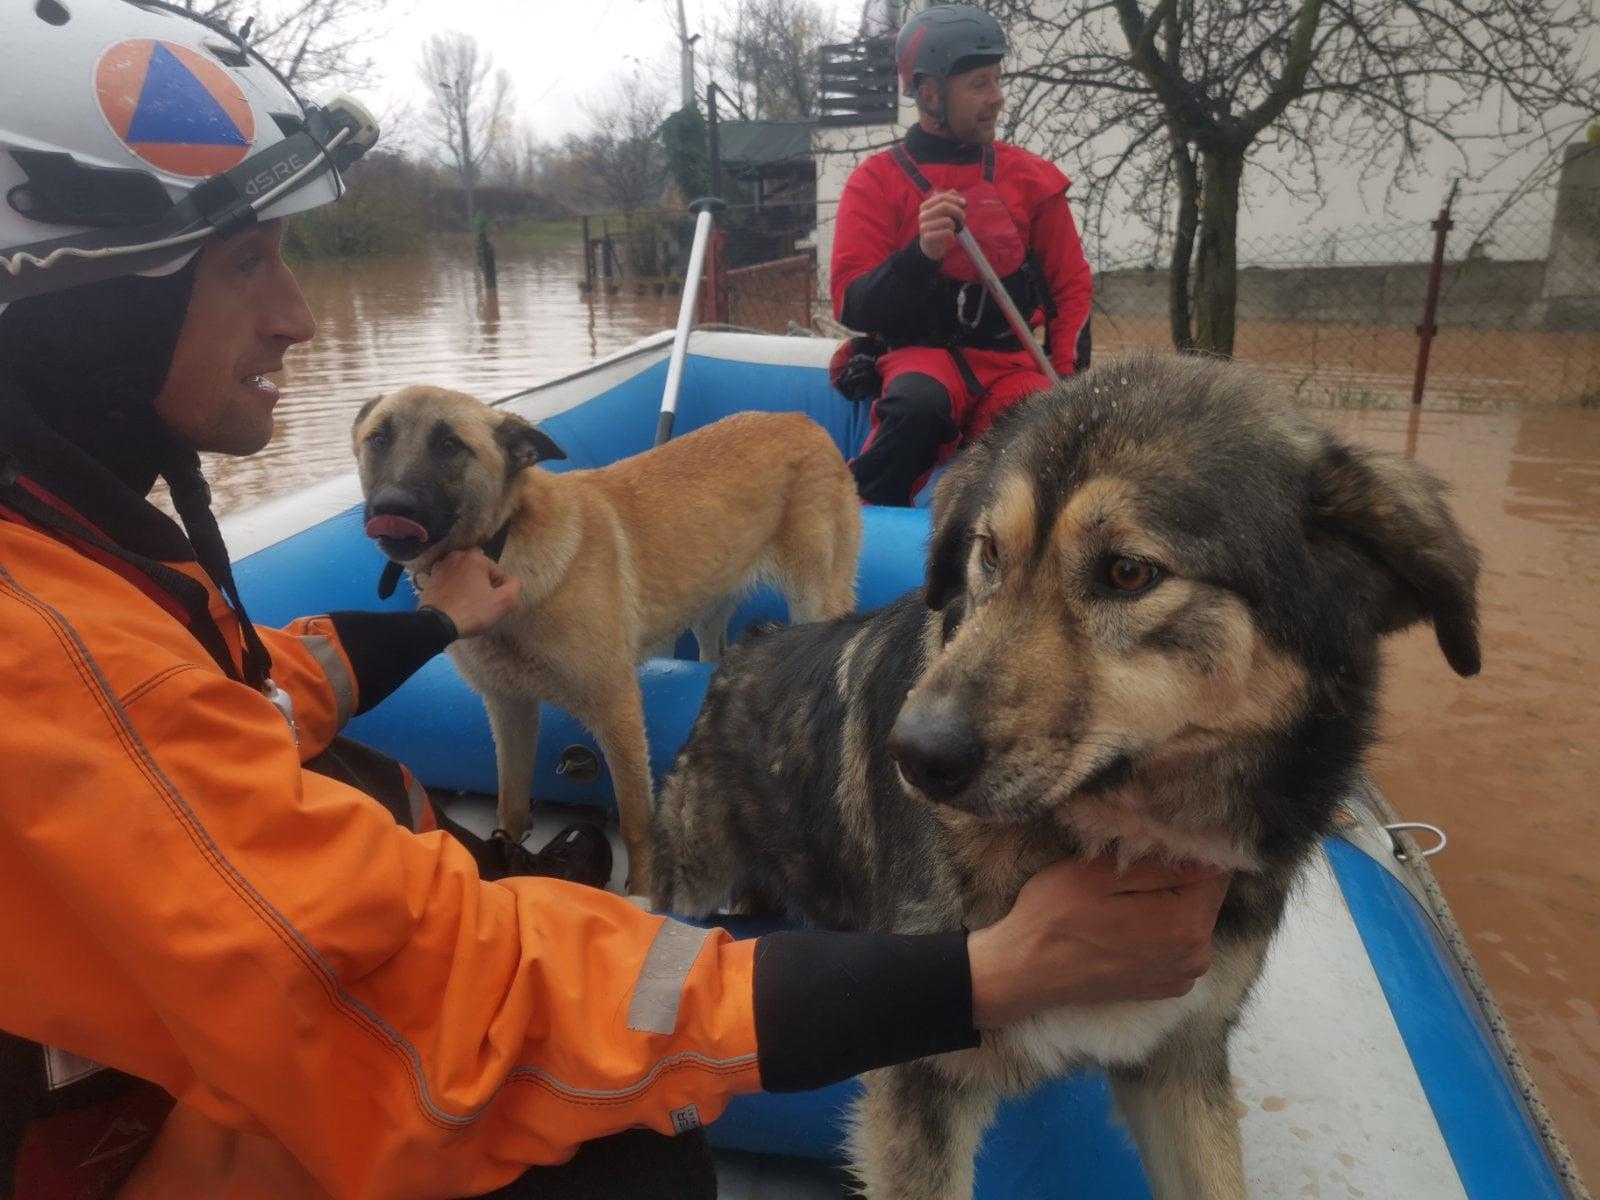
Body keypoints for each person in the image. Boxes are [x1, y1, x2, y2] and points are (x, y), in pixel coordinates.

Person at [0, 3, 1227, 1198]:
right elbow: (442, 994)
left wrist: (436, 619)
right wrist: (975, 974)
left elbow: (240, 695)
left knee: (381, 790)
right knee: (634, 1156)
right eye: (244, 263)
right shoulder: (59, 653)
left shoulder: (79, 543)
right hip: (150, 1134)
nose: (299, 318)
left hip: (162, 1044)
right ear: (81, 304)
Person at [831, 3, 1094, 506]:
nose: (997, 99)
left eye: (997, 81)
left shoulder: (1032, 180)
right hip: (922, 356)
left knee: (1036, 429)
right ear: (929, 93)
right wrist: (919, 257)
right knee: (917, 407)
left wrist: (1066, 381)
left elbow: (1071, 288)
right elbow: (851, 303)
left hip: (1011, 363)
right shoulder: (876, 182)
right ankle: (863, 525)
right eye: (979, 84)